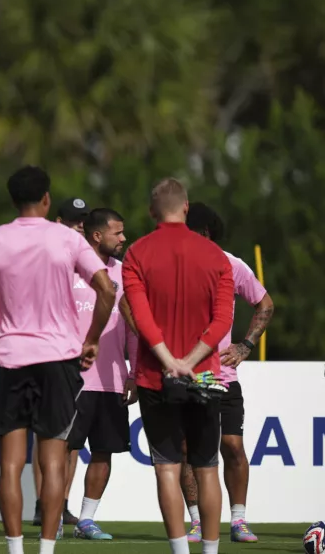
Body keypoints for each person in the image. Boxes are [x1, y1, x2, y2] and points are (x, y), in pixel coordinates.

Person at [0, 166, 115, 554]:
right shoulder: (66, 239)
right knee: (54, 459)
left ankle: (14, 549)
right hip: (59, 359)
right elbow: (106, 289)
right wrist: (90, 340)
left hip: (10, 360)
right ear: (46, 199)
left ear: (13, 200)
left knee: (11, 463)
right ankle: (46, 550)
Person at [121, 179, 235, 554]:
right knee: (206, 469)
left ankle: (179, 551)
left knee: (168, 469)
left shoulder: (136, 254)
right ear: (186, 207)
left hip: (157, 377)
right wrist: (190, 361)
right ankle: (211, 551)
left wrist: (171, 362)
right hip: (205, 376)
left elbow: (141, 317)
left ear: (153, 212)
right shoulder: (216, 256)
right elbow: (222, 322)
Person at [180, 202, 274, 544]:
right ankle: (196, 521)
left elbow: (265, 304)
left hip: (222, 375)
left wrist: (245, 346)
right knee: (187, 450)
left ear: (203, 233)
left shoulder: (232, 265)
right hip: (185, 372)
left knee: (232, 446)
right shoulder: (175, 265)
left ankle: (238, 521)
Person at [66, 208, 139, 541]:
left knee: (103, 450)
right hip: (70, 380)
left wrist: (135, 373)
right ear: (97, 236)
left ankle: (86, 519)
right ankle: (55, 514)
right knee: (62, 449)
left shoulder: (125, 275)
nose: (123, 239)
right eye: (117, 233)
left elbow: (134, 330)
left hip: (111, 379)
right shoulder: (67, 270)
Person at [33, 195, 93, 529]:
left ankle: (61, 502)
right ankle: (43, 503)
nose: (80, 226)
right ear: (59, 222)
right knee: (45, 436)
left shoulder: (89, 261)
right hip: (48, 358)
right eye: (74, 221)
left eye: (84, 222)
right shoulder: (48, 258)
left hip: (82, 365)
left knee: (71, 442)